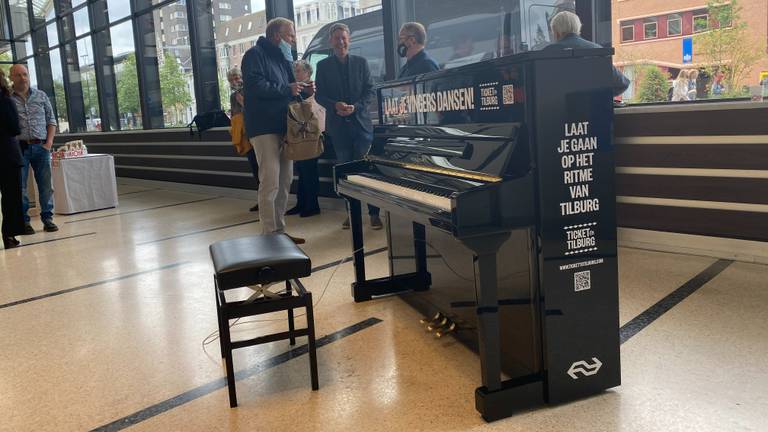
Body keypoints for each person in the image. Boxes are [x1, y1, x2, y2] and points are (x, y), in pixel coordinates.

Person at [241, 17, 314, 244]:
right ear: (276, 36)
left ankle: (280, 231)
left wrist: (304, 89)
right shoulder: (254, 55)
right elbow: (255, 86)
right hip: (263, 127)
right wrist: (287, 88)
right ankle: (268, 234)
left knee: (284, 181)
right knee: (270, 181)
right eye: (290, 35)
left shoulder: (283, 59)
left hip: (285, 127)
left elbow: (291, 93)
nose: (292, 41)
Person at [315, 22, 381, 230]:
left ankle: (374, 214)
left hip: (361, 126)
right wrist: (334, 105)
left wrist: (356, 106)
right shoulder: (322, 66)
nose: (341, 41)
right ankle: (351, 214)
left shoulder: (361, 63)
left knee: (367, 171)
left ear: (349, 40)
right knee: (345, 173)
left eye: (344, 38)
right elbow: (319, 95)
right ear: (330, 41)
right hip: (338, 128)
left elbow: (370, 90)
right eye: (337, 38)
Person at [9, 64, 58, 234]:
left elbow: (51, 121)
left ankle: (48, 218)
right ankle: (24, 222)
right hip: (18, 149)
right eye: (18, 75)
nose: (22, 78)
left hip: (41, 146)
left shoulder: (41, 96)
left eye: (25, 74)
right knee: (20, 188)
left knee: (45, 186)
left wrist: (48, 144)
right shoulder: (7, 98)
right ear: (11, 78)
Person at [544, 11, 630, 97]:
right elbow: (622, 83)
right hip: (593, 109)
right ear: (578, 28)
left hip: (554, 109)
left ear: (556, 32)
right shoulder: (597, 50)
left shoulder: (546, 53)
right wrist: (600, 97)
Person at [286, 60, 324, 218]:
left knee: (309, 170)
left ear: (308, 73)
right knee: (302, 170)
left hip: (310, 134)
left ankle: (312, 204)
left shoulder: (311, 89)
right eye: (294, 70)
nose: (295, 73)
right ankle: (302, 203)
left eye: (299, 70)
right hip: (301, 134)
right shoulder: (299, 89)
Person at [227, 67, 259, 213]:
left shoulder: (251, 91)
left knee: (264, 168)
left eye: (237, 77)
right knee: (255, 168)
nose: (236, 81)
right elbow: (235, 115)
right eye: (232, 79)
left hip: (257, 133)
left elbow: (257, 110)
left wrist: (244, 102)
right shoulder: (233, 96)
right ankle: (261, 199)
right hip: (245, 137)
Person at [0, 69, 25, 249]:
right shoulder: (6, 100)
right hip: (7, 155)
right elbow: (15, 129)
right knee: (11, 198)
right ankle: (9, 236)